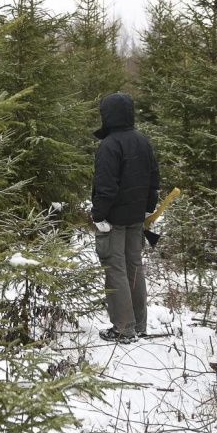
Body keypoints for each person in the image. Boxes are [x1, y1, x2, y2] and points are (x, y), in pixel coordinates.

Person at [91, 92, 160, 343]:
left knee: (116, 269)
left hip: (114, 219)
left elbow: (106, 186)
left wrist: (98, 214)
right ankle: (138, 324)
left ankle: (123, 328)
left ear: (107, 115)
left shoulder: (109, 145)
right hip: (136, 216)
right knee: (134, 266)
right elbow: (154, 179)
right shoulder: (142, 141)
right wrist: (147, 208)